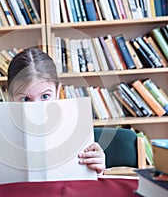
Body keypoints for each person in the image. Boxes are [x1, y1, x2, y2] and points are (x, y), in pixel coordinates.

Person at [7, 47, 106, 175]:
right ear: (10, 97)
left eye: (45, 96)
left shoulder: (76, 127)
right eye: (25, 99)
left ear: (58, 91)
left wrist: (96, 170)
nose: (37, 108)